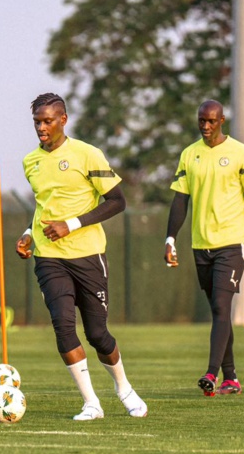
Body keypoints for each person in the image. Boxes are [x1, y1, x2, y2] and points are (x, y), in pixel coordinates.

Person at [15, 92, 146, 421]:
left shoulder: (87, 154)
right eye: (36, 122)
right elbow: (44, 207)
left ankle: (124, 388)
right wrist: (29, 234)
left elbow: (117, 201)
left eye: (47, 121)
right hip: (49, 258)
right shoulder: (30, 162)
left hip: (88, 255)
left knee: (98, 334)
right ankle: (91, 403)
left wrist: (71, 225)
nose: (41, 128)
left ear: (63, 120)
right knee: (62, 327)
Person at [165, 100, 244, 396]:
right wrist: (170, 238)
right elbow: (180, 201)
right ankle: (231, 378)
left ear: (222, 120)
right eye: (201, 121)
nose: (206, 127)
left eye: (211, 121)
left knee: (222, 306)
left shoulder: (241, 153)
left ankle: (211, 372)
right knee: (218, 311)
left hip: (233, 243)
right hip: (201, 244)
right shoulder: (189, 154)